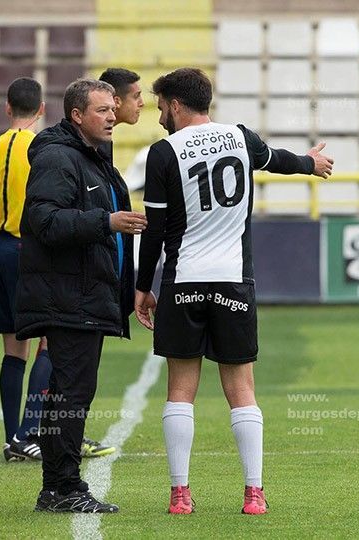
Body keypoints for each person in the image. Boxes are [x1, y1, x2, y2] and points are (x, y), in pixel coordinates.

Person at [133, 68, 333, 515]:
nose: (160, 114)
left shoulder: (163, 152)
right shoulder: (241, 138)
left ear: (177, 105)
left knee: (180, 389)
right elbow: (276, 159)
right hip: (233, 282)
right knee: (241, 389)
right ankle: (253, 493)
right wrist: (310, 163)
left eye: (161, 105)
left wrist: (144, 287)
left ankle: (180, 495)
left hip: (184, 280)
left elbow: (156, 230)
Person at [0, 78, 115, 463]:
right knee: (51, 341)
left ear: (7, 108)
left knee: (13, 349)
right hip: (31, 249)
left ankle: (14, 437)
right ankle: (37, 431)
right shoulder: (49, 148)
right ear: (42, 110)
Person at [15, 78, 147, 513]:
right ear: (76, 115)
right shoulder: (58, 157)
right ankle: (64, 487)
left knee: (69, 394)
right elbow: (44, 221)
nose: (112, 116)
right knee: (71, 395)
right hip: (68, 296)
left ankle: (57, 487)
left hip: (84, 295)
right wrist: (105, 222)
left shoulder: (90, 156)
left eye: (113, 108)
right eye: (103, 110)